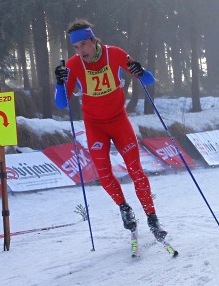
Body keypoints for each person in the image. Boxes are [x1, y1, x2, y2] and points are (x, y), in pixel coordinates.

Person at [54, 19, 167, 241]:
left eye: (83, 45)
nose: (80, 51)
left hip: (118, 121)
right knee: (104, 175)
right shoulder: (73, 65)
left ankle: (152, 218)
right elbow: (61, 104)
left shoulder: (114, 54)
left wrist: (140, 70)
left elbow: (150, 80)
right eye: (75, 48)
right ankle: (124, 208)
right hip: (95, 126)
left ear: (94, 40)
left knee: (135, 170)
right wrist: (59, 83)